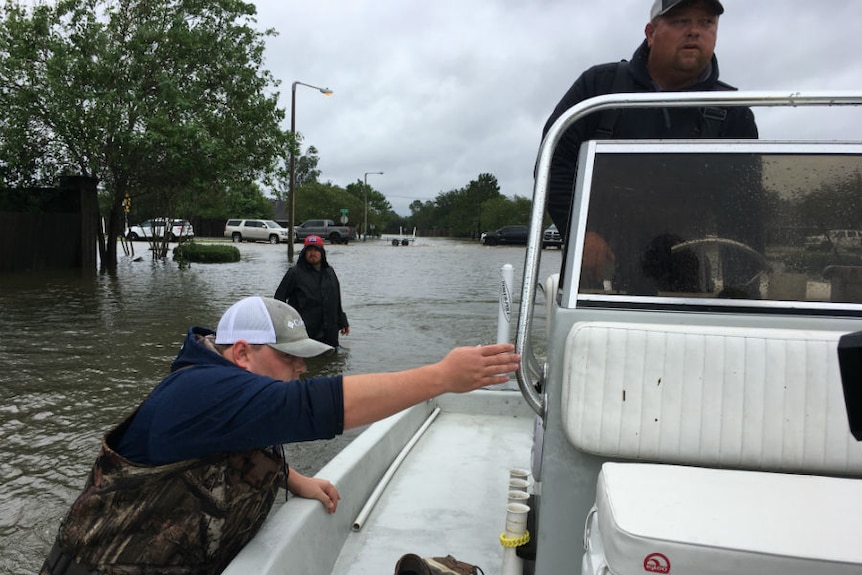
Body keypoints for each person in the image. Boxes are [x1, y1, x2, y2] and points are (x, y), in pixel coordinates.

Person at [41, 296, 520, 574]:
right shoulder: (202, 389)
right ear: (243, 353)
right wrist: (442, 377)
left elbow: (229, 448)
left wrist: (293, 478)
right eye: (288, 357)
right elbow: (313, 408)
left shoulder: (223, 386)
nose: (300, 368)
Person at [543, 0, 758, 250]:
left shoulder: (734, 111)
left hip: (692, 275)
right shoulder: (598, 88)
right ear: (650, 33)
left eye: (706, 22)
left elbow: (745, 209)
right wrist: (581, 234)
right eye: (680, 21)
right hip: (596, 271)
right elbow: (554, 164)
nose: (694, 31)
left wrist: (740, 285)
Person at [274, 234, 349, 348]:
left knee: (331, 362)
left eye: (316, 250)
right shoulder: (294, 273)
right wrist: (285, 324)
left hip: (329, 331)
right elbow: (279, 301)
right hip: (304, 331)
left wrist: (343, 321)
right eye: (309, 250)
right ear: (304, 253)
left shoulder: (330, 272)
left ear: (322, 253)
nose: (313, 253)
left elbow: (336, 299)